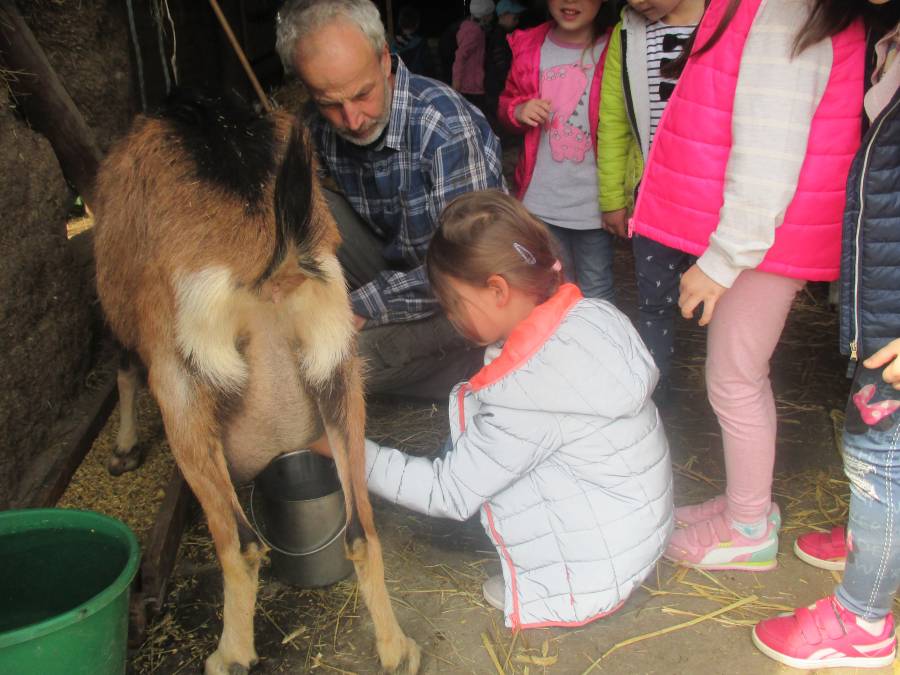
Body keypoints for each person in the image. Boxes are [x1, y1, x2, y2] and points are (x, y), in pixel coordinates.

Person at [316, 190, 673, 629]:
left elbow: (446, 492)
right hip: (640, 533)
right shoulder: (593, 316)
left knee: (466, 489)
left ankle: (552, 585)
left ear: (498, 290)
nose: (451, 318)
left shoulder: (527, 394)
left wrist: (345, 448)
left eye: (455, 304)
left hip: (587, 576)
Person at [627, 0, 867, 570]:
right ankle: (745, 505)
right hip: (769, 237)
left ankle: (749, 527)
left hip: (767, 239)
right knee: (736, 376)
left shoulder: (784, 11)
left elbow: (769, 149)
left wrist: (724, 257)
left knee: (735, 379)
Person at [752, 4, 900, 669]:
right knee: (879, 452)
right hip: (883, 303)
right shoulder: (883, 34)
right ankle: (879, 534)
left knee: (881, 461)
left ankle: (863, 620)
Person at [275, 0, 506, 400]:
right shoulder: (316, 125)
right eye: (330, 103)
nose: (352, 119)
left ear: (385, 59)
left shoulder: (446, 128)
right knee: (304, 202)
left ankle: (475, 365)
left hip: (465, 293)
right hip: (398, 270)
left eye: (362, 94)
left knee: (322, 366)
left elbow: (466, 267)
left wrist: (356, 308)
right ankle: (411, 359)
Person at [597, 0, 703, 405]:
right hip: (654, 196)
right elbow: (613, 119)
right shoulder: (628, 33)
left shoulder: (729, 18)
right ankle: (656, 392)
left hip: (714, 200)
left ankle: (725, 390)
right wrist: (613, 196)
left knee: (724, 305)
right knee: (655, 303)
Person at [498, 0, 617, 302]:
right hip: (542, 202)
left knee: (597, 288)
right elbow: (507, 102)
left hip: (594, 205)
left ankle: (598, 334)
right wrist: (518, 110)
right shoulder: (530, 45)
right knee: (553, 290)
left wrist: (619, 199)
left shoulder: (617, 45)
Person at [484, 0, 528, 126]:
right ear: (503, 15)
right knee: (499, 121)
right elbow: (501, 63)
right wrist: (512, 82)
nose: (517, 21)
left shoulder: (498, 33)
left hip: (495, 86)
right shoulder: (499, 36)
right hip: (497, 88)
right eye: (515, 18)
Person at [453, 0, 496, 112]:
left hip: (469, 84)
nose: (492, 17)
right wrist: (456, 81)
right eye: (490, 14)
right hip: (471, 85)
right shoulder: (475, 32)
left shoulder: (473, 28)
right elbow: (460, 56)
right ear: (485, 16)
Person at [391, 5, 428, 76]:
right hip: (417, 79)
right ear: (416, 24)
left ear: (400, 23)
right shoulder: (421, 43)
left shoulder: (394, 44)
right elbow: (428, 68)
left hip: (399, 80)